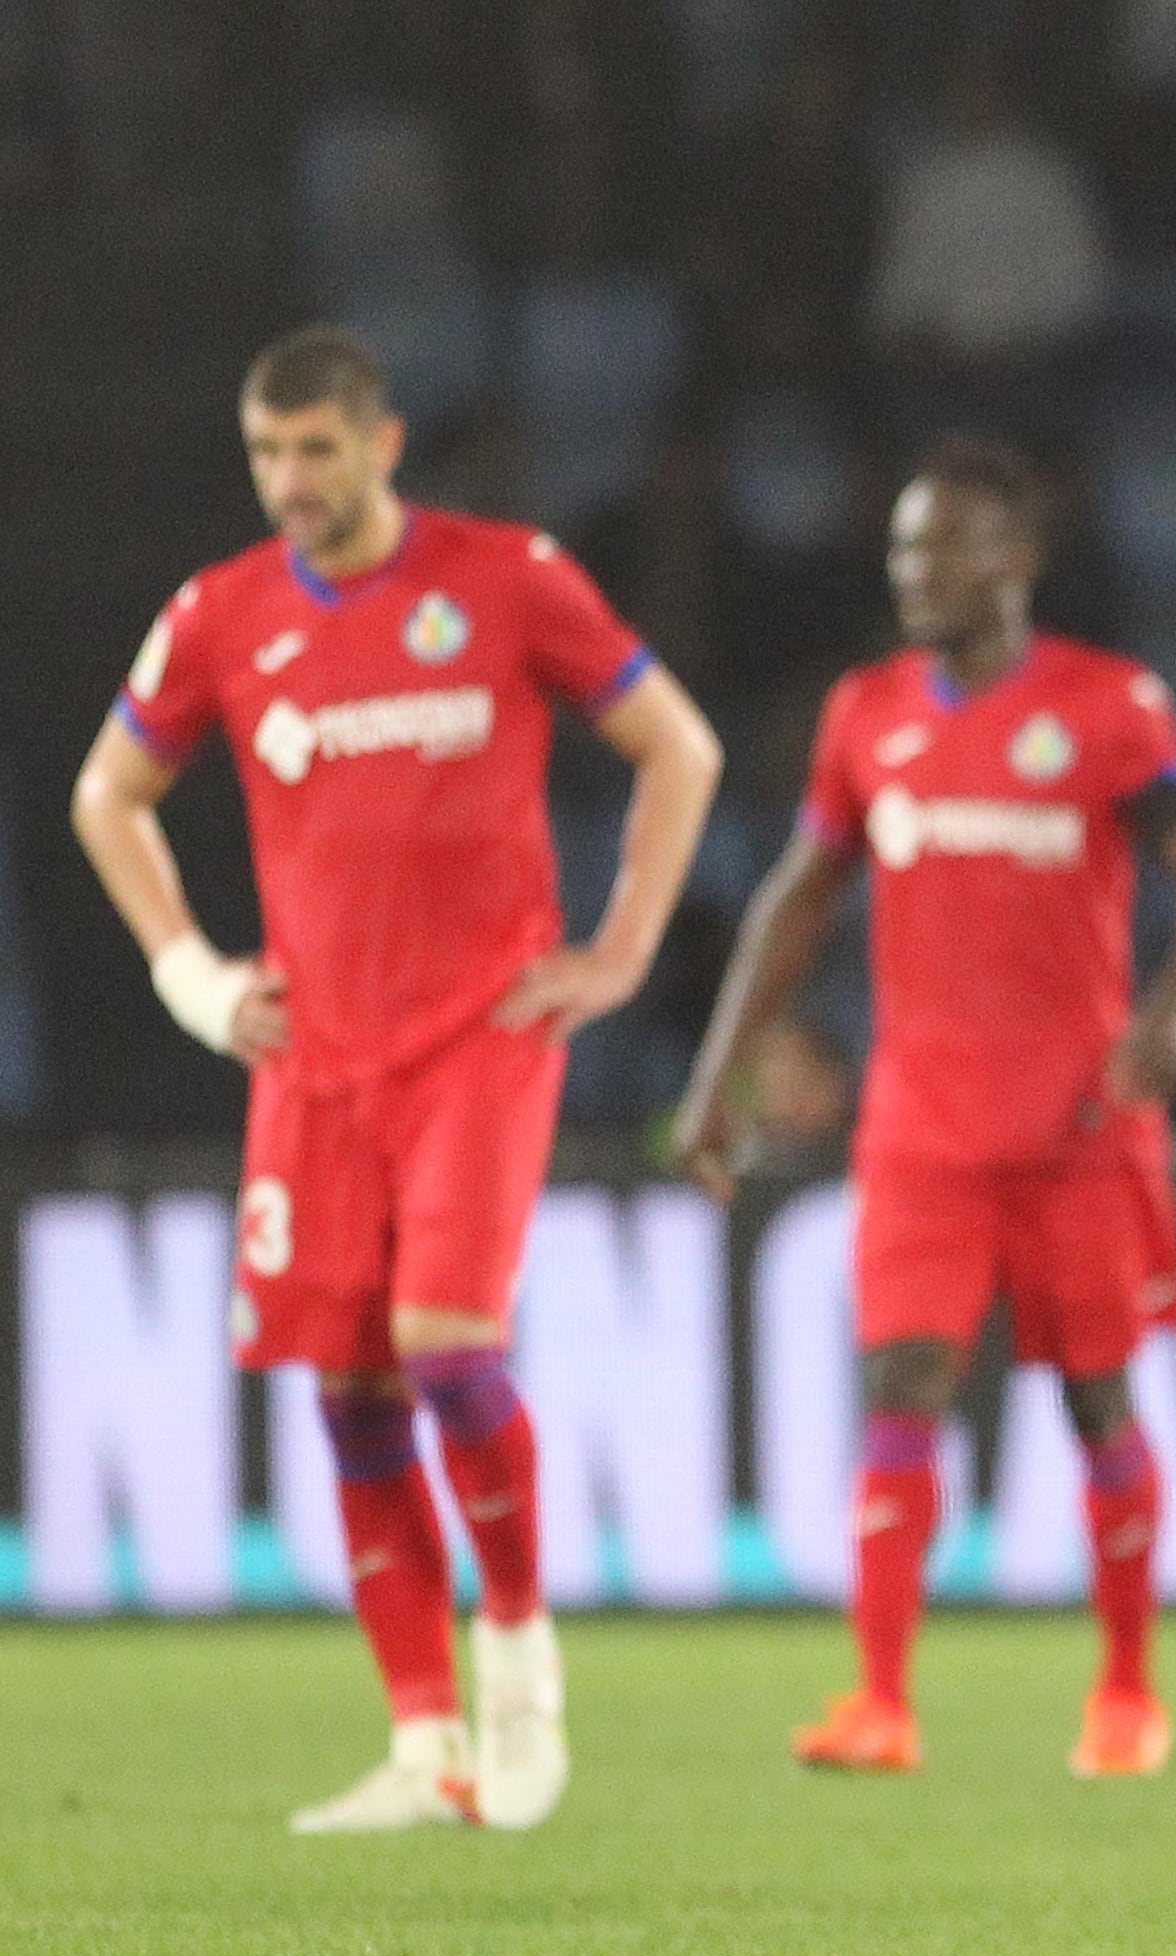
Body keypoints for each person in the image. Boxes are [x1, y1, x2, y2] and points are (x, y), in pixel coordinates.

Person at [71, 324, 726, 1833]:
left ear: (383, 445)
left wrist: (621, 950)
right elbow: (108, 794)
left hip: (479, 1034)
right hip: (314, 1057)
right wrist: (191, 975)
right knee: (351, 1388)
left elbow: (674, 749)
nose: (287, 483)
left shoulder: (507, 578)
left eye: (313, 450)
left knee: (444, 1342)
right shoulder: (220, 616)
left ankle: (519, 1685)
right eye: (264, 455)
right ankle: (425, 1744)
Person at [670, 437, 1176, 1782]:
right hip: (923, 1127)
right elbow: (797, 901)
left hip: (1077, 1130)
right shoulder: (867, 715)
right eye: (902, 550)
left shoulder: (1108, 707)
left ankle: (1126, 1694)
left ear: (1016, 560)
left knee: (1101, 1405)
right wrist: (715, 1083)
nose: (916, 572)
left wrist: (1173, 1010)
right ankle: (879, 1700)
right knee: (903, 1386)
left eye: (943, 547)